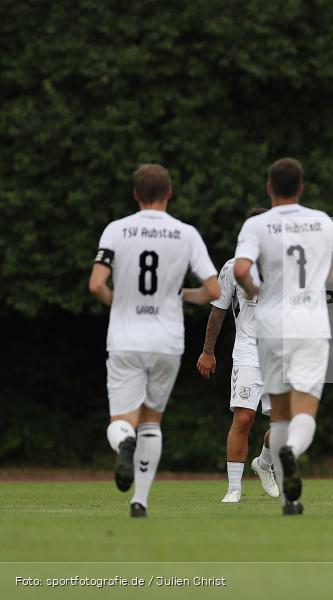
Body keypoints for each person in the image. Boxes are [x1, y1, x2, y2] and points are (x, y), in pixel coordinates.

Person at [88, 163, 220, 517]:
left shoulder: (117, 230)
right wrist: (182, 296)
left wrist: (120, 303)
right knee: (151, 421)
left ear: (135, 194)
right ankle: (140, 502)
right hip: (166, 340)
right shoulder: (186, 233)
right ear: (169, 194)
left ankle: (124, 443)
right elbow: (213, 290)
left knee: (122, 419)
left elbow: (96, 284)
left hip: (125, 338)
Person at [232, 158, 333, 515]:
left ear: (270, 188)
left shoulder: (257, 224)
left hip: (270, 327)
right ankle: (290, 458)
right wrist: (318, 282)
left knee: (281, 414)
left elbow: (241, 268)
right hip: (311, 326)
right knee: (305, 410)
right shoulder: (320, 220)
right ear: (301, 188)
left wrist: (255, 289)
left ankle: (290, 498)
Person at [196, 208, 280, 503]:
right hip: (248, 352)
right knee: (243, 418)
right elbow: (217, 312)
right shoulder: (233, 267)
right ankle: (234, 488)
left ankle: (264, 463)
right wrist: (208, 351)